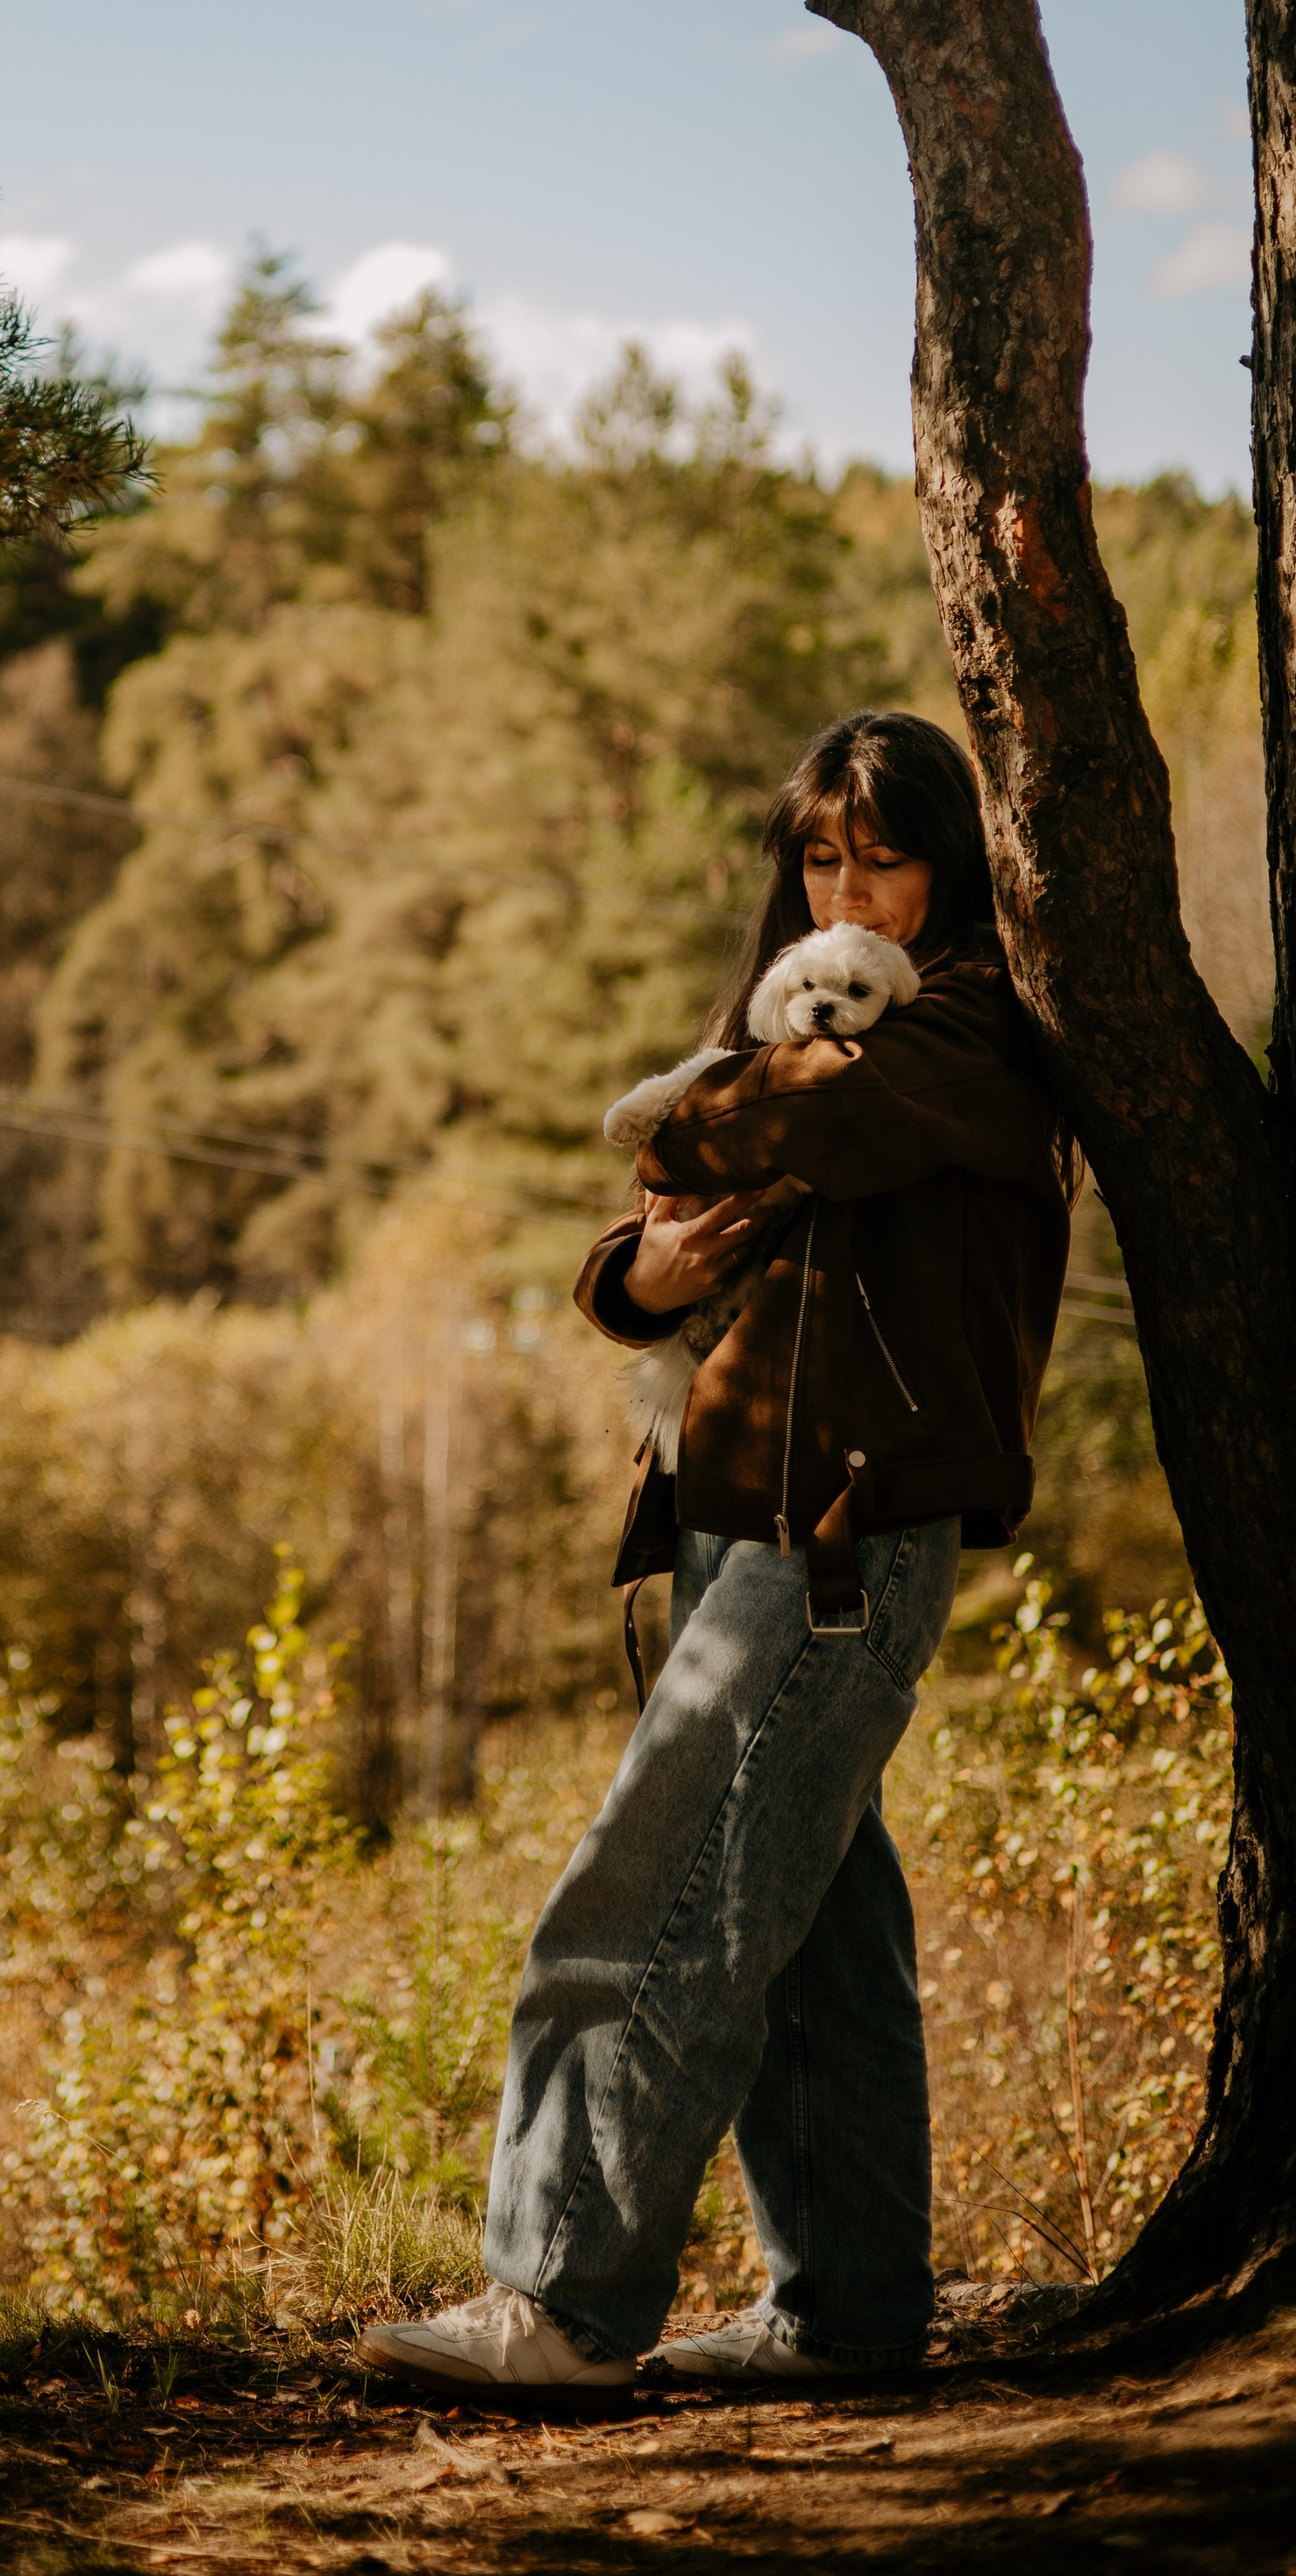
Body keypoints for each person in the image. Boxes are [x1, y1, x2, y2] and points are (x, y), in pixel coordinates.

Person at [360, 710, 1072, 2394]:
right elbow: (633, 1250)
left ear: (951, 867)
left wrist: (694, 1124)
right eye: (823, 859)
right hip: (731, 1521)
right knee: (809, 1931)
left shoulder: (963, 1031)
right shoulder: (799, 1042)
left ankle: (561, 2299)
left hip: (838, 1536)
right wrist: (650, 1273)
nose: (850, 892)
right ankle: (850, 2313)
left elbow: (765, 1126)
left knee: (649, 1903)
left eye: (885, 856)